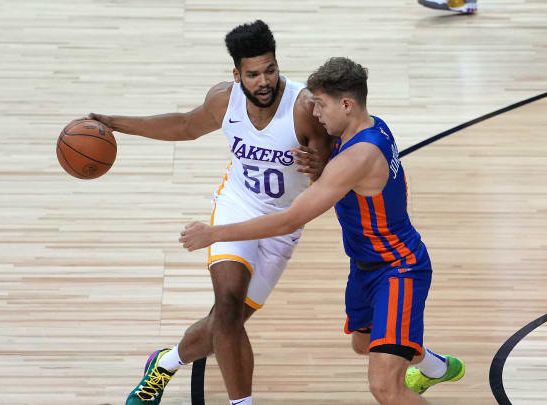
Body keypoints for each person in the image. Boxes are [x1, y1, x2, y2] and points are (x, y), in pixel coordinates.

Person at [180, 57, 465, 405]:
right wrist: (323, 165)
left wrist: (214, 234)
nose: (314, 114)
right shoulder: (369, 128)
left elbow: (289, 219)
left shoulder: (357, 157)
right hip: (365, 267)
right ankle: (437, 367)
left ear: (346, 104)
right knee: (364, 343)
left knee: (385, 387)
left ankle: (418, 369)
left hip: (399, 269)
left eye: (321, 105)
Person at [87, 20, 331, 405]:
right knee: (229, 304)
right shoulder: (224, 100)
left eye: (270, 69)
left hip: (283, 223)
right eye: (253, 74)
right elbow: (184, 125)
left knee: (224, 324)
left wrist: (318, 167)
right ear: (237, 75)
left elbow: (328, 169)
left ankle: (164, 363)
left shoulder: (304, 107)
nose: (264, 81)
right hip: (238, 205)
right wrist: (114, 124)